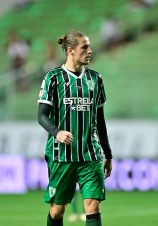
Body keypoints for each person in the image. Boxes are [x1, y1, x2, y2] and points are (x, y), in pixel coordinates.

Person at [37, 30, 112, 226]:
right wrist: (57, 132)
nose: (90, 51)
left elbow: (100, 121)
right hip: (62, 155)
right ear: (70, 50)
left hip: (91, 154)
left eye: (89, 46)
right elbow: (42, 115)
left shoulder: (96, 79)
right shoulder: (53, 78)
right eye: (84, 47)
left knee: (93, 205)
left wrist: (108, 154)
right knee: (57, 210)